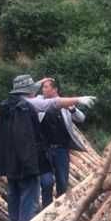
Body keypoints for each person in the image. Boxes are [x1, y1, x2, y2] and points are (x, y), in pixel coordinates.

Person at [0, 75, 96, 221]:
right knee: (29, 195)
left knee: (14, 193)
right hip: (27, 158)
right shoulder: (28, 104)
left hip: (10, 159)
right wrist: (78, 99)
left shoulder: (5, 105)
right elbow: (53, 103)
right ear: (29, 91)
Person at [37, 77, 87, 208]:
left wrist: (72, 109)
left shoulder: (64, 103)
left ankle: (61, 209)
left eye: (46, 87)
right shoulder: (39, 102)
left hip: (61, 150)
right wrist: (40, 82)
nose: (43, 90)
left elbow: (81, 118)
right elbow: (27, 95)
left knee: (62, 182)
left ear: (55, 89)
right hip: (44, 151)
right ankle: (46, 210)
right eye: (43, 87)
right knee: (46, 183)